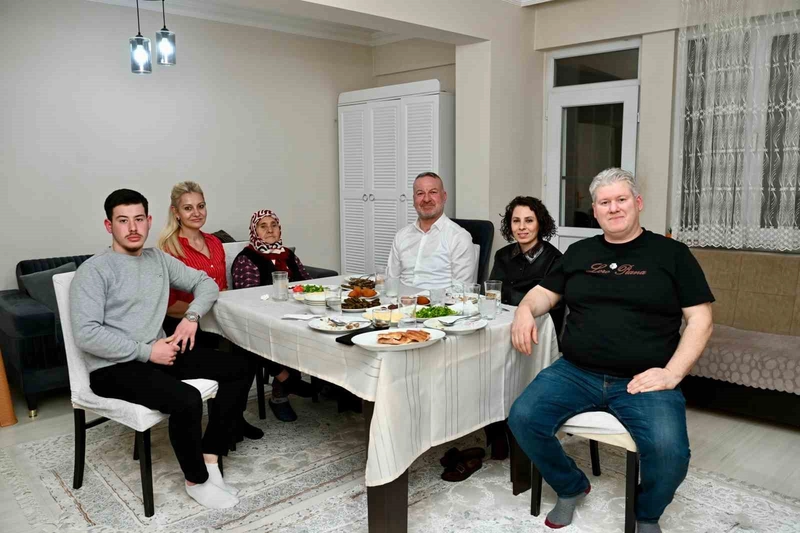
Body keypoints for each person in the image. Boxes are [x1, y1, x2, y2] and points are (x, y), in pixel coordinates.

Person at [507, 168, 714, 533]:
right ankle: (571, 485)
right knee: (523, 418)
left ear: (638, 203)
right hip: (576, 371)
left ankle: (647, 514)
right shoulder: (580, 252)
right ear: (595, 210)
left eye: (621, 199)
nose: (613, 208)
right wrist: (525, 310)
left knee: (671, 454)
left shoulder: (672, 254)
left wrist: (672, 373)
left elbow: (701, 320)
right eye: (605, 202)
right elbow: (544, 293)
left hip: (644, 379)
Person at [71, 189, 255, 510]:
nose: (133, 228)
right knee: (187, 399)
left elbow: (206, 283)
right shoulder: (94, 270)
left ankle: (210, 456)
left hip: (159, 353)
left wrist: (191, 318)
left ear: (149, 221)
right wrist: (147, 352)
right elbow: (87, 335)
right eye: (123, 220)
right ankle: (197, 480)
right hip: (112, 368)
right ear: (109, 225)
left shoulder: (157, 259)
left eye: (139, 219)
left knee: (240, 367)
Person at [157, 181, 262, 443]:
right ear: (176, 212)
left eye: (201, 206)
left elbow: (221, 290)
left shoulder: (215, 242)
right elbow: (168, 306)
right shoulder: (169, 249)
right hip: (185, 330)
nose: (196, 213)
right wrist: (202, 311)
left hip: (219, 323)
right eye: (188, 208)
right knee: (233, 362)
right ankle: (225, 427)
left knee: (252, 347)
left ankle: (234, 417)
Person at [483, 196, 563, 460]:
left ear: (540, 223)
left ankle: (521, 431)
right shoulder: (502, 255)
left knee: (511, 375)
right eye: (516, 221)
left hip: (538, 332)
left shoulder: (554, 259)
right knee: (484, 367)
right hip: (502, 327)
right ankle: (496, 431)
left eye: (529, 220)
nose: (522, 227)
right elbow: (492, 295)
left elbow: (552, 306)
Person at [230, 209, 315, 422]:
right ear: (254, 231)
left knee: (317, 329)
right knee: (276, 335)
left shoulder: (288, 255)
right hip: (262, 320)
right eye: (263, 226)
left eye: (273, 225)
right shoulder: (246, 258)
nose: (269, 230)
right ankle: (282, 390)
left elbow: (307, 282)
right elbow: (247, 298)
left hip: (295, 314)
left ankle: (326, 384)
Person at [387, 172, 476, 289]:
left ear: (444, 196)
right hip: (401, 299)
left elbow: (462, 291)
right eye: (420, 193)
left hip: (439, 300)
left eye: (433, 192)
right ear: (414, 200)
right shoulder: (401, 236)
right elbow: (391, 280)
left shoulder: (459, 237)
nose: (426, 199)